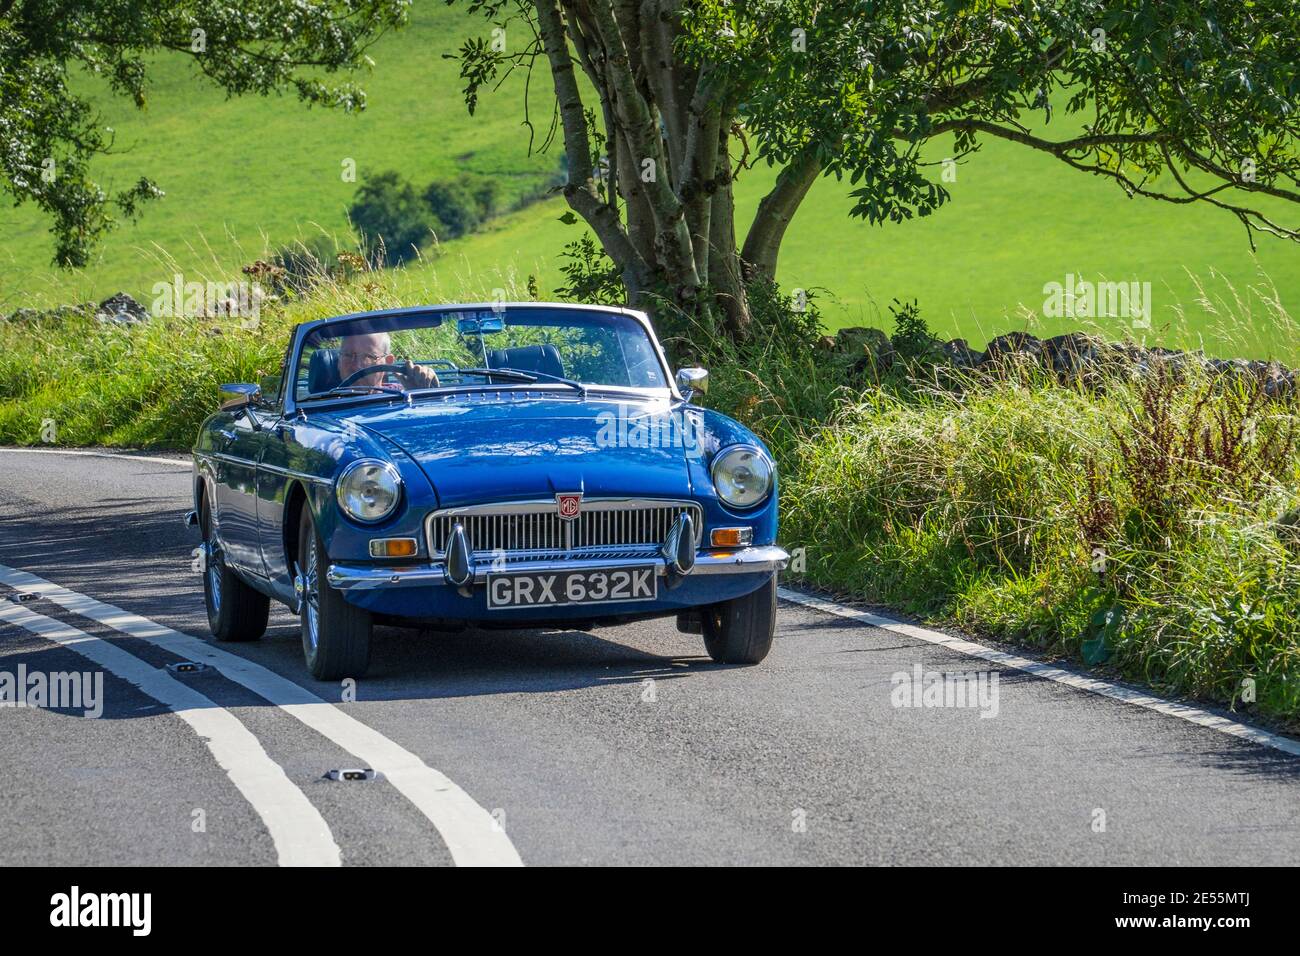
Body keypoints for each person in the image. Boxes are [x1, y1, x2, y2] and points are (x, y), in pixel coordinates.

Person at [336, 331, 439, 390]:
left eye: (368, 357)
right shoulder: (325, 403)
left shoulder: (401, 394)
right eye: (348, 355)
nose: (356, 366)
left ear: (388, 362)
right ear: (338, 361)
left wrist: (421, 393)